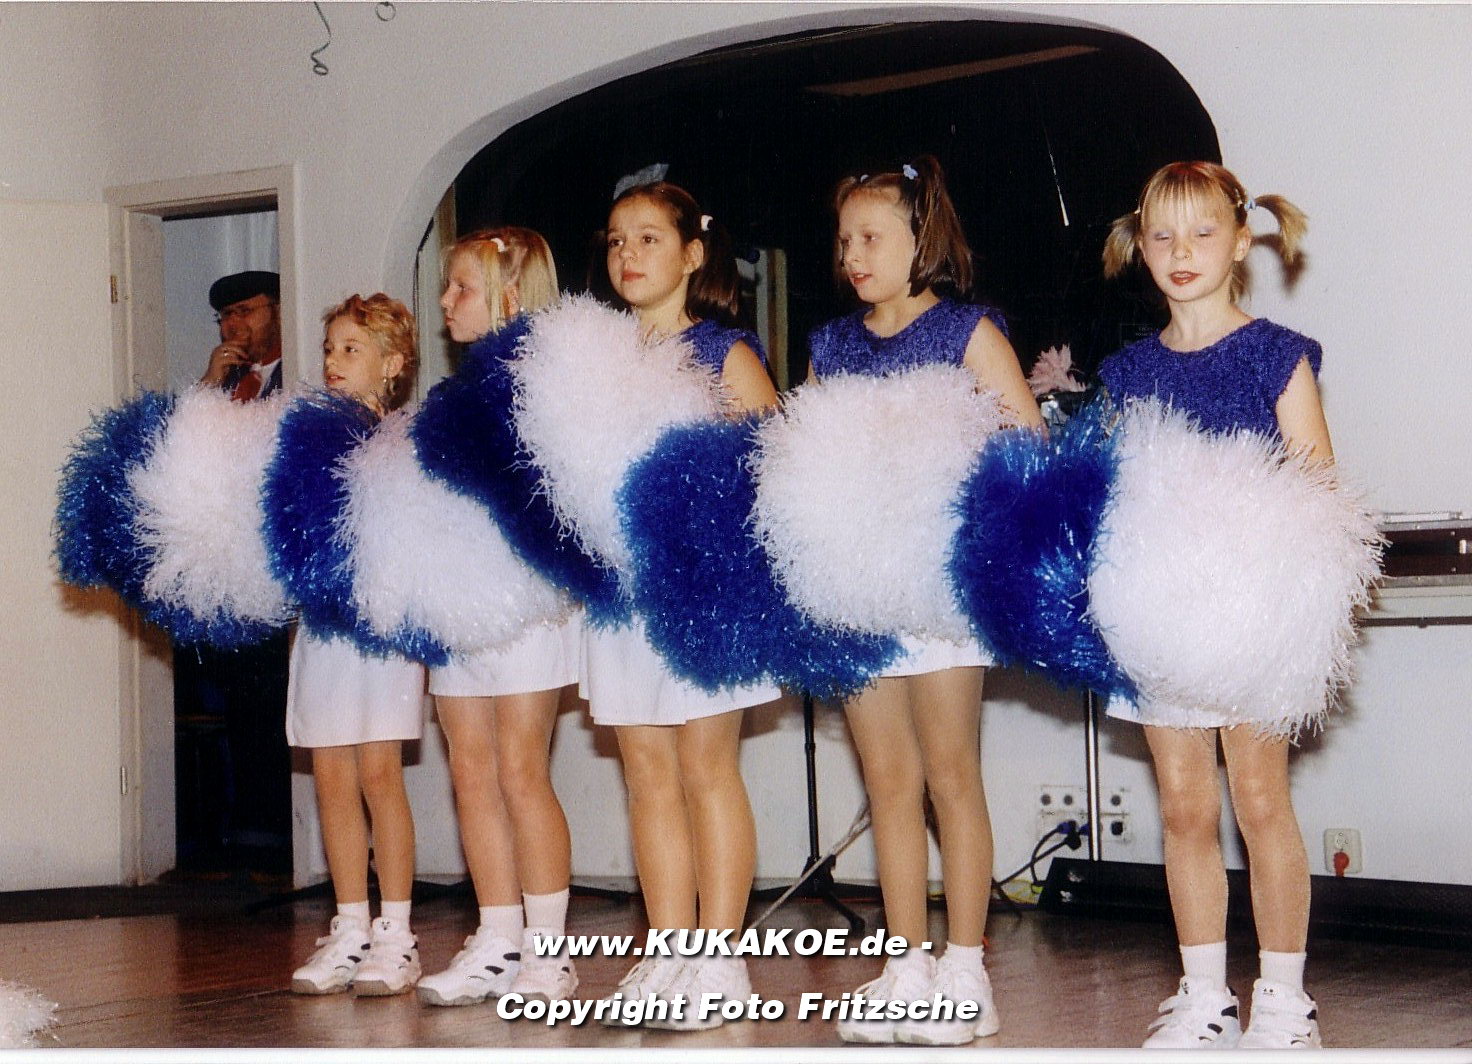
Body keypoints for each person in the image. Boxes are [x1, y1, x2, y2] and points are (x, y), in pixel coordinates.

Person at [810, 156, 1042, 1047]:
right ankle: (905, 964)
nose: (853, 255)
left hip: (943, 585)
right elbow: (806, 463)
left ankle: (967, 969)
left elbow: (1024, 441)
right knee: (888, 783)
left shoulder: (966, 331)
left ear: (923, 239)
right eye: (844, 240)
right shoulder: (831, 346)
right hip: (861, 588)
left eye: (872, 237)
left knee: (950, 776)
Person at [1099, 160, 1328, 1050]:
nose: (1181, 251)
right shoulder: (1127, 372)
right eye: (1162, 235)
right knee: (1185, 809)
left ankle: (1285, 1001)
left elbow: (1317, 486)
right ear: (1140, 248)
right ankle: (1204, 998)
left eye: (1201, 232)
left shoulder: (1276, 354)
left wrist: (1275, 589)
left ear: (1241, 242)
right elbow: (1114, 500)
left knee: (1261, 802)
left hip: (1254, 614)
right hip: (1162, 617)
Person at [586, 176, 779, 1030]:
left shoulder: (724, 354)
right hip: (622, 593)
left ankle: (721, 959)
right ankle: (668, 951)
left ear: (694, 254)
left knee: (706, 767)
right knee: (646, 774)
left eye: (649, 239)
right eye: (617, 241)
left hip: (706, 590)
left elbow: (770, 472)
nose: (628, 254)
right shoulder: (594, 361)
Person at [413, 228, 584, 1007]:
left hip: (527, 604)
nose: (445, 302)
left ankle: (550, 953)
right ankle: (497, 938)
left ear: (510, 297)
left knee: (520, 769)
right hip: (458, 602)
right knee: (470, 770)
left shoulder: (550, 387)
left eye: (462, 288)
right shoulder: (446, 400)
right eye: (447, 286)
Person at [287, 293, 427, 997]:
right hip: (323, 628)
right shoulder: (306, 440)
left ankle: (395, 933)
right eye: (330, 349)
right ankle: (348, 926)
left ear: (393, 363)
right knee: (332, 776)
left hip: (382, 629)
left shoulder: (404, 442)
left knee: (379, 773)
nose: (334, 362)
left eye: (352, 349)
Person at [199, 270, 283, 400]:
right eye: (226, 314)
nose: (232, 323)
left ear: (278, 313)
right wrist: (209, 384)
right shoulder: (225, 374)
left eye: (244, 311)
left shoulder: (296, 367)